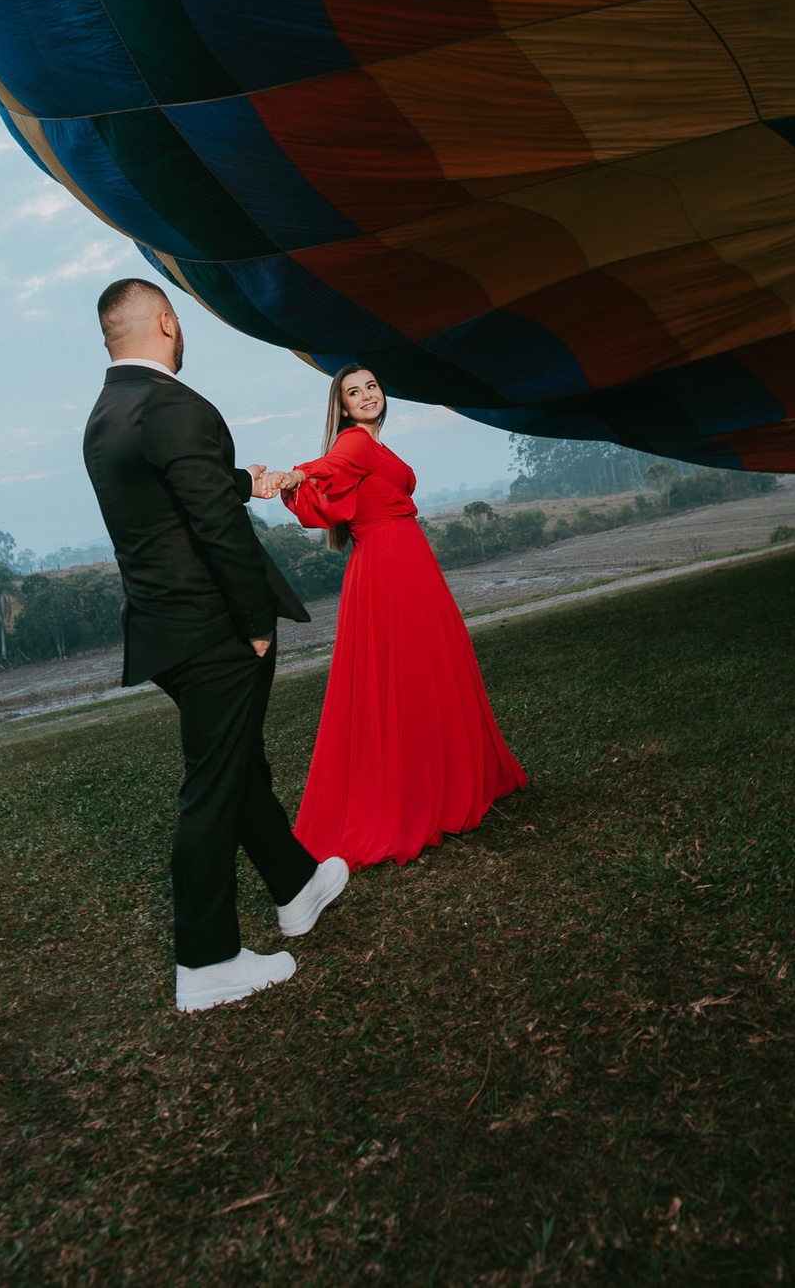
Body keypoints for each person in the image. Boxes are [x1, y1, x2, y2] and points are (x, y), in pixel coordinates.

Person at [82, 279, 348, 1013]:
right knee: (211, 788)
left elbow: (169, 493)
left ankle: (297, 887)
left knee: (234, 763)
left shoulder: (106, 416)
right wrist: (256, 619)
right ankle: (206, 963)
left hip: (163, 628)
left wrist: (242, 480)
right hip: (214, 628)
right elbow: (214, 530)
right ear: (167, 319)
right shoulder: (175, 405)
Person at [278, 363, 526, 869]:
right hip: (390, 567)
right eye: (354, 392)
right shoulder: (356, 443)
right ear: (343, 407)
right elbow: (323, 469)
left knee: (426, 670)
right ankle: (418, 796)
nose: (367, 395)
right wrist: (295, 475)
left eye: (371, 386)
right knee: (411, 674)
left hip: (402, 563)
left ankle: (449, 779)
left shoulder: (376, 444)